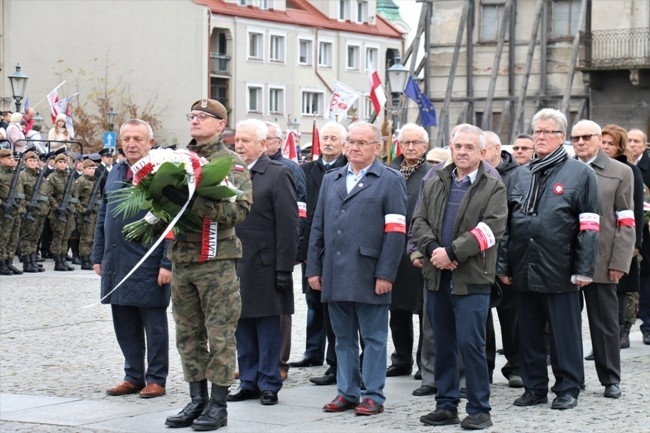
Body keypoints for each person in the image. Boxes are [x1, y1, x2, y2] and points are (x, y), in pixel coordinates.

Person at [497, 108, 600, 411]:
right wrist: (504, 264)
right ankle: (534, 387)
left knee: (564, 333)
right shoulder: (520, 175)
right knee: (527, 332)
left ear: (561, 137)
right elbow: (506, 224)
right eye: (537, 131)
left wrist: (583, 268)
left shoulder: (580, 174)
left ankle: (568, 387)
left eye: (547, 132)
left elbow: (590, 225)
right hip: (524, 266)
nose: (540, 137)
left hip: (561, 267)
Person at [306, 121, 407, 416]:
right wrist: (314, 268)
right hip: (335, 271)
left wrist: (386, 274)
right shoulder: (332, 178)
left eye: (361, 142)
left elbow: (396, 231)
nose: (353, 147)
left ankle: (373, 394)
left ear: (377, 147)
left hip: (369, 271)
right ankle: (346, 391)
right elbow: (318, 226)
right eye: (350, 141)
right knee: (342, 337)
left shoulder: (389, 179)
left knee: (374, 338)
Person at [164, 99, 252, 431]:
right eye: (193, 116)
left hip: (217, 260)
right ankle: (196, 398)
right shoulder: (176, 160)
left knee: (220, 334)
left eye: (204, 117)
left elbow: (239, 212)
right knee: (187, 333)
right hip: (183, 258)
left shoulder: (231, 163)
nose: (196, 121)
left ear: (221, 124)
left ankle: (218, 404)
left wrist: (195, 202)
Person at [412, 124, 507, 430]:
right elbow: (419, 220)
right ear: (450, 148)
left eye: (469, 147)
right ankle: (446, 404)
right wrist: (433, 250)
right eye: (458, 146)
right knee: (442, 343)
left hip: (473, 279)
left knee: (471, 345)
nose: (463, 152)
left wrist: (452, 252)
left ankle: (479, 409)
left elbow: (491, 229)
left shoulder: (494, 186)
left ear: (482, 152)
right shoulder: (436, 179)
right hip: (437, 275)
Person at [93, 119, 171, 399]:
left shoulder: (163, 174)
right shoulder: (115, 171)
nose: (131, 144)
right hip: (117, 260)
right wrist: (98, 254)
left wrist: (167, 262)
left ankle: (156, 378)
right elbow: (104, 215)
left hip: (148, 261)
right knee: (123, 321)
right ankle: (133, 375)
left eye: (138, 138)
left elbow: (174, 220)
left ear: (151, 142)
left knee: (154, 325)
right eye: (126, 139)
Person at [227, 119, 298, 406]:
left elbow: (289, 224)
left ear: (262, 144)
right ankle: (248, 380)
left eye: (245, 141)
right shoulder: (231, 173)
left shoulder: (277, 174)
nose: (239, 145)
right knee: (241, 323)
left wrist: (284, 267)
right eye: (237, 141)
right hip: (236, 261)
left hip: (266, 264)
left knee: (268, 326)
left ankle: (269, 382)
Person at [572, 119, 635, 399]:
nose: (581, 142)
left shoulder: (620, 172)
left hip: (602, 260)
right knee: (566, 324)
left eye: (587, 137)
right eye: (576, 138)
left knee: (605, 324)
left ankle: (610, 378)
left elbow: (626, 220)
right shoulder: (565, 169)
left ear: (599, 139)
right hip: (566, 262)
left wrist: (619, 262)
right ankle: (573, 377)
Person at [295, 121, 348, 386]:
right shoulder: (306, 170)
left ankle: (335, 361)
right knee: (313, 302)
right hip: (312, 247)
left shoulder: (347, 169)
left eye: (333, 138)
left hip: (338, 248)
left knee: (334, 308)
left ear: (343, 143)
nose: (327, 142)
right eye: (324, 138)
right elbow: (302, 212)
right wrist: (303, 250)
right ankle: (312, 351)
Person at [386, 123, 431, 379]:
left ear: (425, 146)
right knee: (397, 308)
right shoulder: (389, 170)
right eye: (406, 142)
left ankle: (424, 361)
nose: (411, 147)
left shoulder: (432, 173)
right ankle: (400, 359)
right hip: (392, 247)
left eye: (416, 143)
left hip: (418, 248)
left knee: (425, 309)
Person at [265, 121, 307, 381]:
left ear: (279, 142)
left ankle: (280, 361)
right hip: (253, 250)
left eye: (267, 139)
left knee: (280, 310)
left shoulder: (289, 168)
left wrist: (294, 251)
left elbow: (300, 212)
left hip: (281, 249)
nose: (262, 144)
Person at [482, 130, 523, 388]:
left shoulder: (517, 175)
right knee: (480, 317)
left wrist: (506, 261)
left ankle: (516, 366)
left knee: (512, 317)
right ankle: (483, 369)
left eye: (483, 149)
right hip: (477, 257)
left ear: (497, 149)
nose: (479, 154)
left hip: (506, 255)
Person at [601, 124, 644, 349]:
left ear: (619, 146)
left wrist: (635, 241)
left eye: (610, 143)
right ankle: (608, 337)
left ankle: (622, 331)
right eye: (603, 142)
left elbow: (634, 207)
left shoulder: (629, 170)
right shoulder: (596, 168)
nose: (606, 147)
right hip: (603, 237)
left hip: (624, 236)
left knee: (624, 287)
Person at [628, 128, 650, 345]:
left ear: (644, 145)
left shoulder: (647, 167)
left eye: (636, 141)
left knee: (647, 279)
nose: (632, 144)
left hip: (647, 232)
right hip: (626, 232)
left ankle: (648, 325)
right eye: (629, 140)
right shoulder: (622, 165)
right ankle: (624, 327)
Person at [46, 153, 77, 271]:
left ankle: (63, 259)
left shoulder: (70, 177)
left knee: (66, 236)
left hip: (68, 212)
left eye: (64, 162)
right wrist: (57, 207)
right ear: (55, 163)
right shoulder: (52, 177)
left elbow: (75, 195)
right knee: (58, 236)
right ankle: (57, 261)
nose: (63, 164)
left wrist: (71, 206)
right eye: (60, 162)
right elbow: (49, 195)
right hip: (57, 212)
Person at [19, 150, 49, 273]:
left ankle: (33, 260)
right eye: (30, 160)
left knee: (35, 238)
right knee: (27, 237)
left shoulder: (39, 175)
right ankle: (27, 262)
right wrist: (27, 205)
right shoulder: (22, 175)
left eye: (35, 160)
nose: (33, 162)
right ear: (25, 162)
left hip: (40, 211)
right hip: (29, 211)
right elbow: (20, 194)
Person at [0, 149, 24, 275]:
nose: (11, 160)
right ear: (1, 160)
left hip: (15, 210)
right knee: (2, 238)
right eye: (8, 158)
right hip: (3, 211)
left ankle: (9, 262)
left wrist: (21, 207)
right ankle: (1, 263)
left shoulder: (15, 174)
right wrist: (2, 204)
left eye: (12, 158)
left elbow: (20, 193)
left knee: (13, 238)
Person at [76, 159, 99, 270]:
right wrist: (83, 210)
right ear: (84, 169)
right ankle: (84, 259)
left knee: (93, 238)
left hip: (94, 213)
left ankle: (90, 257)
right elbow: (75, 198)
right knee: (85, 238)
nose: (91, 171)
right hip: (85, 213)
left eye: (93, 169)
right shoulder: (81, 181)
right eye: (89, 168)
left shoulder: (94, 181)